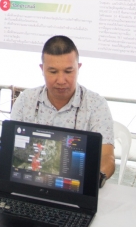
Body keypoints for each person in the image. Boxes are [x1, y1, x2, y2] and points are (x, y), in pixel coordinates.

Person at [11, 35, 116, 179]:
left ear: (78, 68)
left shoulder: (96, 105)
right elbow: (11, 149)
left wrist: (94, 180)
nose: (61, 80)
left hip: (76, 184)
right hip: (30, 180)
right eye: (53, 72)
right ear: (42, 69)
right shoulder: (25, 100)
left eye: (68, 71)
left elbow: (107, 157)